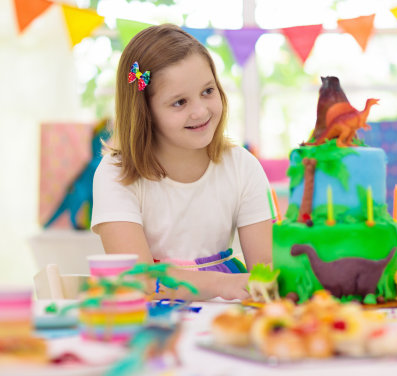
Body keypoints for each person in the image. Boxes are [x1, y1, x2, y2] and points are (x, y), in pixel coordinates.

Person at [91, 24, 273, 301]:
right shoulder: (116, 174)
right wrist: (222, 285)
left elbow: (267, 270)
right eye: (179, 102)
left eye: (208, 91)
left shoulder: (242, 167)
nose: (200, 111)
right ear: (145, 112)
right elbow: (138, 279)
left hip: (225, 316)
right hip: (148, 320)